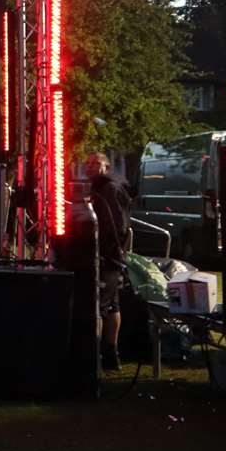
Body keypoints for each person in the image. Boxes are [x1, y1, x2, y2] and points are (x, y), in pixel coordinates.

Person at [87, 151, 132, 372]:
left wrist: (106, 251)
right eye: (88, 163)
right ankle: (111, 357)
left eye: (96, 163)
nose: (90, 166)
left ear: (106, 167)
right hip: (111, 255)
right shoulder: (98, 189)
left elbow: (116, 225)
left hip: (108, 257)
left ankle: (96, 356)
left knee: (100, 307)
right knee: (113, 305)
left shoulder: (109, 190)